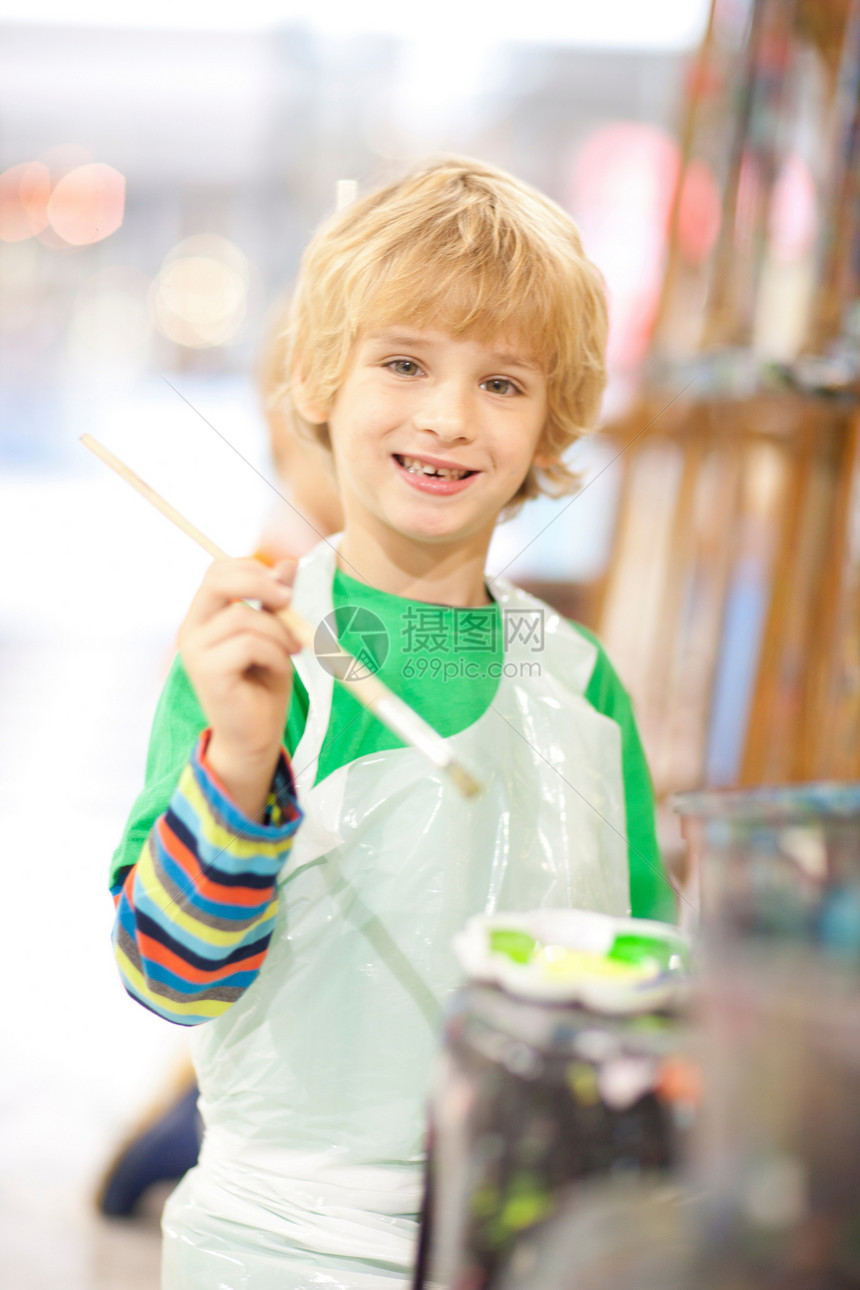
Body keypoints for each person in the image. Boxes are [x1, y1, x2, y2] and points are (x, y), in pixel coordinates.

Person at [109, 155, 674, 1290]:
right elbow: (170, 973)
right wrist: (238, 757)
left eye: (502, 384)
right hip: (278, 1246)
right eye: (404, 363)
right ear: (318, 379)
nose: (449, 418)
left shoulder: (575, 677)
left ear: (551, 419)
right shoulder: (260, 661)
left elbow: (638, 989)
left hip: (529, 1239)